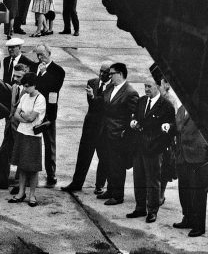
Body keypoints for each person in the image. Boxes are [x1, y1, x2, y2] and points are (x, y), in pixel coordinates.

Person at [126, 75, 176, 223]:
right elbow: (134, 116)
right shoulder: (141, 101)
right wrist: (133, 122)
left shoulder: (166, 106)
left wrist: (158, 147)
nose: (146, 89)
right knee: (139, 179)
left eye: (149, 86)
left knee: (153, 181)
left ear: (157, 87)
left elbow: (170, 128)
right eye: (145, 86)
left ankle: (152, 210)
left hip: (154, 149)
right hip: (139, 148)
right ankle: (140, 207)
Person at [62, 62, 112, 194]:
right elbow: (92, 105)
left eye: (105, 72)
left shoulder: (113, 87)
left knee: (104, 156)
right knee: (83, 155)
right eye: (101, 71)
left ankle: (99, 185)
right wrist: (93, 98)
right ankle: (77, 183)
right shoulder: (92, 82)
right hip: (90, 125)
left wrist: (93, 97)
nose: (101, 74)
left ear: (110, 74)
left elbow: (104, 105)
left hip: (104, 127)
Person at [99, 63, 140, 206]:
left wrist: (126, 133)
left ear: (120, 74)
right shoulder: (110, 88)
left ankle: (118, 195)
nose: (109, 76)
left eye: (112, 74)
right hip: (106, 132)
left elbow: (135, 116)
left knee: (118, 166)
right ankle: (110, 190)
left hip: (119, 135)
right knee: (108, 162)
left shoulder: (130, 92)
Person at [7, 72, 46, 206]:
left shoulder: (40, 99)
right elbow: (15, 114)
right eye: (24, 86)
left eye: (28, 86)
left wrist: (24, 116)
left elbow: (31, 117)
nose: (25, 88)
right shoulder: (24, 97)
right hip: (22, 133)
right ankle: (21, 193)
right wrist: (25, 116)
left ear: (34, 85)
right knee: (22, 166)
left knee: (33, 168)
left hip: (33, 136)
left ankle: (32, 195)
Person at [174, 100, 208, 237]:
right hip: (182, 156)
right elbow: (178, 127)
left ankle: (199, 226)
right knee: (184, 190)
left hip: (198, 156)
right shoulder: (182, 108)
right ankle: (187, 218)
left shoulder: (203, 108)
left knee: (198, 193)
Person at [33, 44, 65, 186]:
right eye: (38, 55)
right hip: (34, 110)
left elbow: (54, 87)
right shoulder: (35, 67)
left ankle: (51, 173)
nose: (40, 58)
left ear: (49, 53)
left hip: (49, 113)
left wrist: (44, 73)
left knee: (50, 144)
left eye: (42, 54)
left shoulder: (58, 71)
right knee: (31, 141)